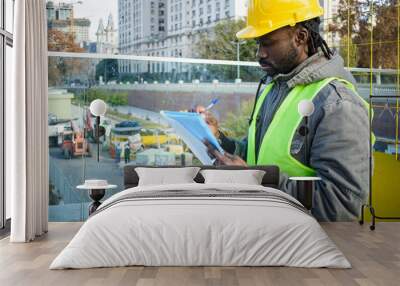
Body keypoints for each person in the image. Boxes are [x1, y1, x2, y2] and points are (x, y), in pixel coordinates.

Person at [201, 0, 371, 221]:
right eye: (258, 43)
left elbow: (341, 205)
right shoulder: (275, 87)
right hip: (267, 230)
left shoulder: (338, 104)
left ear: (300, 37)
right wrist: (220, 140)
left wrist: (252, 182)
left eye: (268, 43)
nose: (260, 54)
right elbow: (258, 155)